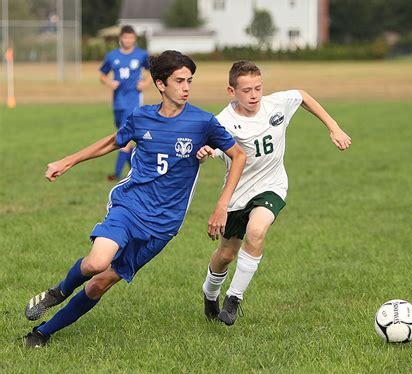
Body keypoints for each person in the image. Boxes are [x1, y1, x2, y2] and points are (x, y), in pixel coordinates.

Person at [22, 51, 247, 348]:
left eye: (189, 80)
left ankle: (42, 333)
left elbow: (239, 155)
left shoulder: (202, 122)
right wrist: (68, 161)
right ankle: (58, 292)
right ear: (160, 84)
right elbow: (112, 141)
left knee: (101, 282)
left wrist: (221, 205)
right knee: (96, 263)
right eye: (179, 81)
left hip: (163, 225)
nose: (186, 87)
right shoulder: (141, 118)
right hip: (130, 206)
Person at [198, 60, 352, 326]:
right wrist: (205, 152)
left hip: (272, 185)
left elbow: (302, 96)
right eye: (246, 90)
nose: (254, 95)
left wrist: (333, 126)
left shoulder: (275, 104)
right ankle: (210, 293)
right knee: (226, 254)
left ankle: (233, 299)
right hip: (237, 193)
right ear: (231, 91)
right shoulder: (222, 122)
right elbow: (209, 148)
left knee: (257, 231)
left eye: (258, 88)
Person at [99, 25, 152, 181]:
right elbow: (102, 75)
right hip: (118, 102)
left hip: (133, 101)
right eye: (125, 37)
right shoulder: (112, 56)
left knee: (124, 137)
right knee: (124, 135)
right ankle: (137, 170)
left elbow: (153, 71)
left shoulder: (141, 55)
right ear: (121, 39)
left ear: (134, 39)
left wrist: (146, 83)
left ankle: (116, 173)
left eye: (131, 37)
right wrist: (110, 83)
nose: (128, 40)